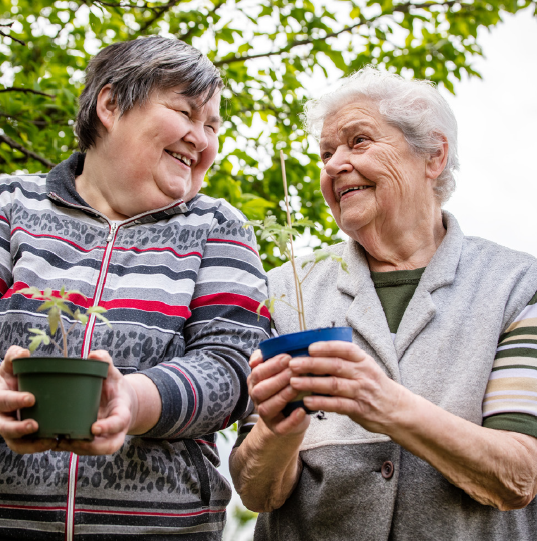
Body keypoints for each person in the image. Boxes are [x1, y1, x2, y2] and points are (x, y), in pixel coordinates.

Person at [0, 36, 271, 540]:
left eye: (212, 126)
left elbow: (233, 365)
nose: (201, 137)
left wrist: (133, 401)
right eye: (186, 113)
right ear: (110, 104)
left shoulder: (219, 227)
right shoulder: (2, 203)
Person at [229, 67, 537, 540]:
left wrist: (385, 404)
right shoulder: (283, 290)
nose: (332, 165)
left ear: (434, 156)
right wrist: (279, 431)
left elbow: (518, 476)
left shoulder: (517, 286)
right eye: (326, 153)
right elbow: (257, 493)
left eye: (358, 142)